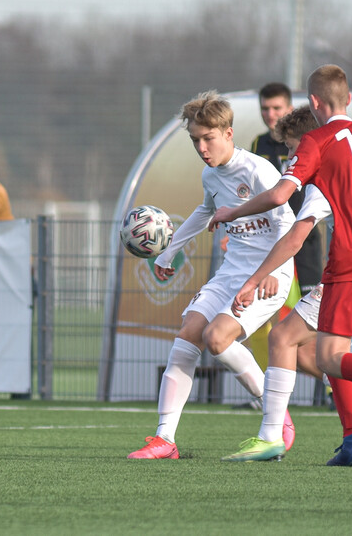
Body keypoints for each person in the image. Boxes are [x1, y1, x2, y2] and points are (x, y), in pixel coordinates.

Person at [211, 65, 352, 467]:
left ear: (313, 105)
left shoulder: (320, 148)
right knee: (325, 353)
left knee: (288, 342)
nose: (291, 157)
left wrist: (246, 250)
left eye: (290, 149)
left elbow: (290, 223)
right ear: (349, 99)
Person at [127, 91, 298, 460]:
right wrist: (169, 252)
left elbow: (290, 226)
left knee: (217, 339)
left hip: (267, 274)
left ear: (228, 133)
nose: (202, 147)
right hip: (231, 272)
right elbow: (205, 212)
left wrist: (273, 272)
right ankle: (165, 439)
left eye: (208, 138)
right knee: (188, 334)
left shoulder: (257, 170)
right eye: (195, 140)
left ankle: (275, 414)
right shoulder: (210, 175)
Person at [246, 82, 325, 374]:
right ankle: (267, 391)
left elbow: (285, 194)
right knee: (266, 319)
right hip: (273, 241)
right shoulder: (258, 146)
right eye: (265, 108)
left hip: (304, 242)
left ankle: (336, 387)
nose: (270, 114)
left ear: (290, 108)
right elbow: (252, 193)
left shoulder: (309, 143)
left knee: (311, 325)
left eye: (277, 108)